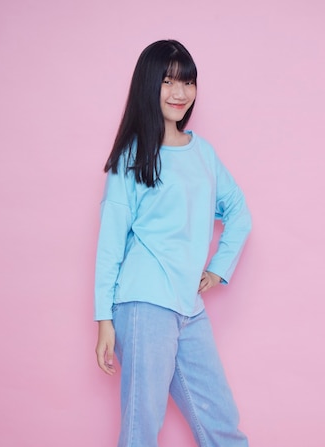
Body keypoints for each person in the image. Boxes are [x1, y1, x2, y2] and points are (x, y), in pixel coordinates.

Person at [94, 39, 252, 447]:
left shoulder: (204, 153)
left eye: (188, 82)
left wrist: (220, 267)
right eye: (168, 81)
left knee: (220, 421)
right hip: (143, 304)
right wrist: (103, 319)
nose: (180, 93)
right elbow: (110, 241)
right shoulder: (132, 156)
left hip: (188, 307)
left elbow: (239, 212)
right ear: (149, 85)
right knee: (142, 426)